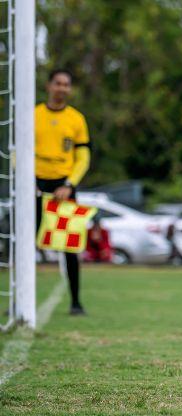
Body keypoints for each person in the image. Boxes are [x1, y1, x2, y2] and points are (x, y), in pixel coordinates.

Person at [35, 69, 91, 315]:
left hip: (64, 189)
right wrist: (27, 181)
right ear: (49, 86)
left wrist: (69, 184)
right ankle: (19, 300)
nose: (62, 88)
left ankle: (76, 302)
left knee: (69, 247)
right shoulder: (33, 115)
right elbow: (17, 152)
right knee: (25, 244)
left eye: (66, 84)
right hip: (35, 186)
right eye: (58, 83)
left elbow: (83, 157)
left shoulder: (76, 119)